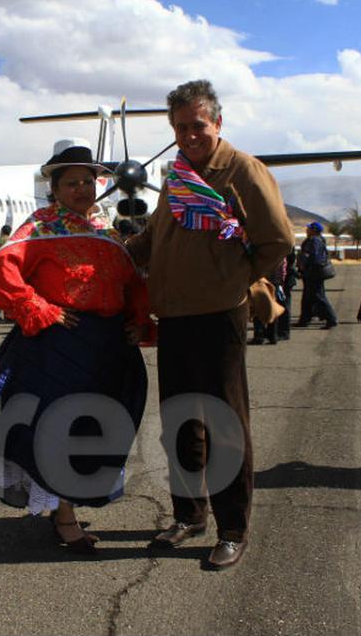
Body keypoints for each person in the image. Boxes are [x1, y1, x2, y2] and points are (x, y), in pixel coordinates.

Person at [0, 145, 152, 553]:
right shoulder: (40, 227)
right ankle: (65, 516)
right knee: (61, 432)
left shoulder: (104, 229)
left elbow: (131, 284)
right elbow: (2, 269)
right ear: (54, 189)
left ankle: (68, 503)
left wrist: (137, 323)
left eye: (87, 181)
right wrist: (38, 308)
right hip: (59, 347)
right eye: (71, 183)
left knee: (92, 431)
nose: (81, 189)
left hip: (107, 349)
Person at [126, 80, 293, 568]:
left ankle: (233, 528)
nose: (188, 135)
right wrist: (109, 249)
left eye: (197, 125)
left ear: (217, 123)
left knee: (225, 425)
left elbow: (277, 239)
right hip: (174, 314)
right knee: (181, 421)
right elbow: (154, 238)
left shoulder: (242, 171)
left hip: (219, 313)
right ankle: (189, 515)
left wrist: (236, 276)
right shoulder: (178, 176)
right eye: (179, 127)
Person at [297, 222, 338, 329]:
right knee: (307, 297)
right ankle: (304, 319)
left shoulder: (315, 241)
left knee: (319, 296)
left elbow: (314, 257)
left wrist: (304, 264)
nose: (307, 230)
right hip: (311, 272)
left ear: (314, 230)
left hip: (314, 272)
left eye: (309, 229)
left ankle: (331, 319)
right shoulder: (316, 240)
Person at [250, 258, 288, 345]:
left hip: (261, 281)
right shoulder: (280, 252)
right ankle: (272, 336)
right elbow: (283, 269)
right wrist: (281, 281)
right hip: (275, 282)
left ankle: (259, 336)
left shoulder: (262, 251)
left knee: (258, 307)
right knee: (272, 308)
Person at [277, 248, 299, 340]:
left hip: (285, 279)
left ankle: (284, 331)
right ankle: (280, 330)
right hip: (284, 278)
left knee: (284, 305)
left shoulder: (285, 247)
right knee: (282, 304)